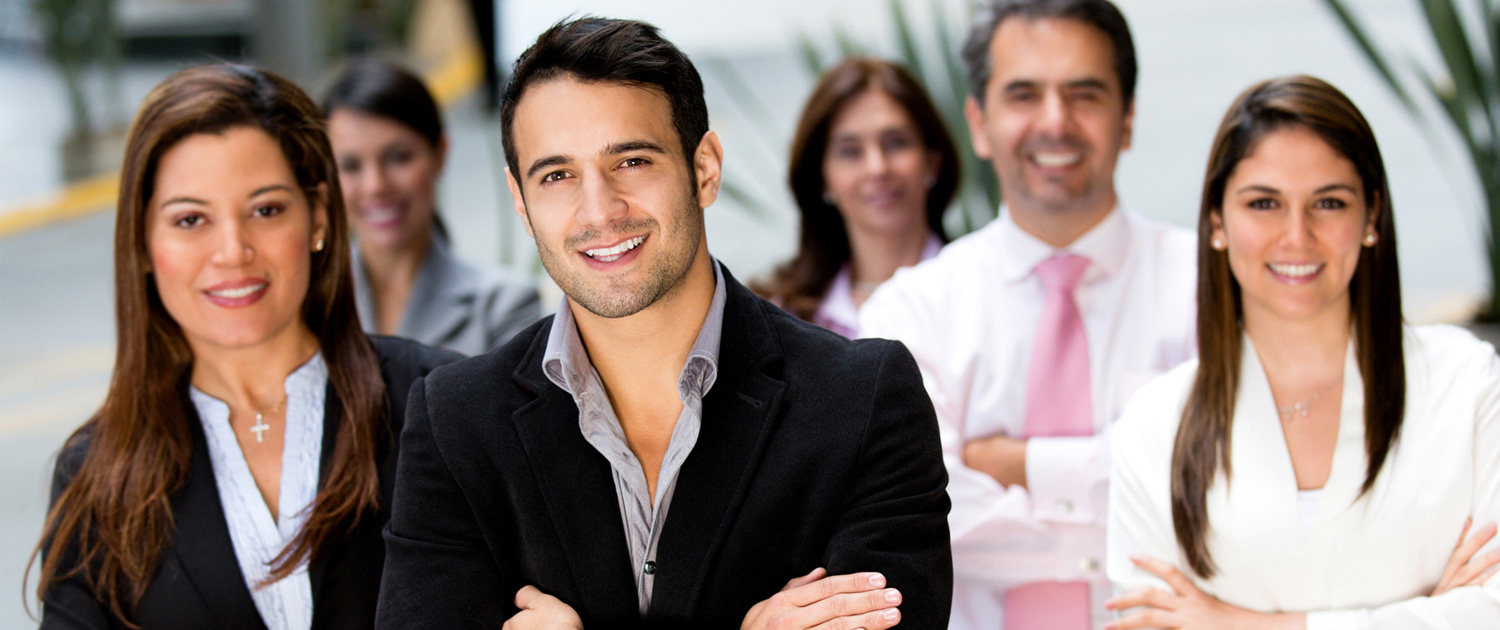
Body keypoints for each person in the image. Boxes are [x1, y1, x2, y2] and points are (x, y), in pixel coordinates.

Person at [375, 17, 953, 630]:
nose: (600, 211)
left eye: (631, 161)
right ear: (521, 200)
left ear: (704, 168)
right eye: (557, 175)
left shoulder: (863, 399)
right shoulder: (455, 423)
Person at [32, 63, 457, 629]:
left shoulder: (444, 407)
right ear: (142, 241)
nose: (232, 251)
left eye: (265, 210)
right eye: (190, 219)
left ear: (318, 216)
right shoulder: (98, 473)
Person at [1105, 75, 1500, 630]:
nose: (1297, 235)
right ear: (1217, 221)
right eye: (1264, 203)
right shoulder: (1156, 425)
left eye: (1329, 203)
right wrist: (1431, 613)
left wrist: (1238, 623)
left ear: (1371, 218)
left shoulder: (1468, 385)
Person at [858, 1, 1197, 628]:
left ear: (1127, 119)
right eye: (1023, 95)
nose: (1055, 122)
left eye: (1084, 94)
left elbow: (1220, 494)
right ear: (979, 124)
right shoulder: (909, 313)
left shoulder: (1209, 292)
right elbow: (927, 523)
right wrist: (1128, 500)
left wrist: (1021, 466)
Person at [324, 57, 540, 356]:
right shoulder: (307, 303)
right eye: (350, 165)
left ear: (440, 154)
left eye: (398, 157)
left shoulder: (502, 305)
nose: (375, 185)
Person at [751, 57, 958, 338]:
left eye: (896, 143)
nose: (877, 168)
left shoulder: (979, 291)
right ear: (822, 177)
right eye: (850, 151)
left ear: (932, 161)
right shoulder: (781, 319)